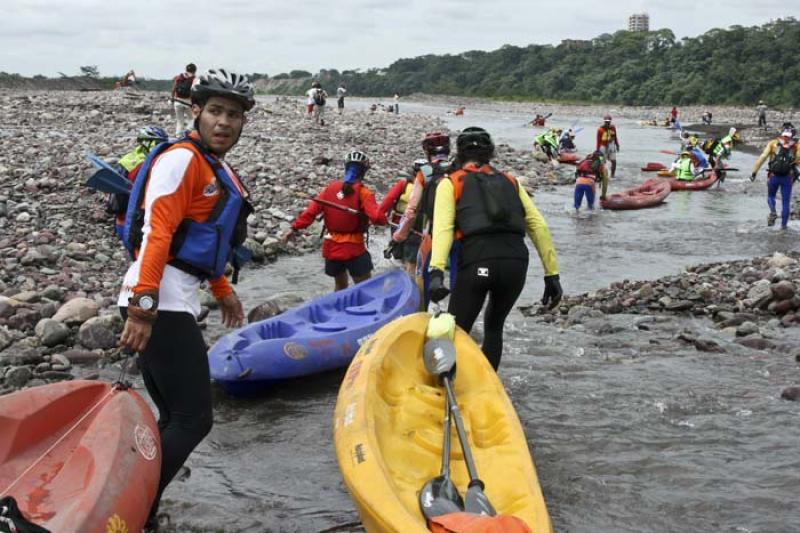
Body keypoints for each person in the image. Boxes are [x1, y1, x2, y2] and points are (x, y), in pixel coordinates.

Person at [118, 68, 255, 532]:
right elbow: (158, 234)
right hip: (158, 298)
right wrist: (143, 309)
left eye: (234, 115)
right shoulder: (181, 159)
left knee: (175, 415)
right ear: (195, 112)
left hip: (175, 295)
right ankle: (132, 508)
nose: (224, 122)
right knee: (195, 420)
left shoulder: (215, 167)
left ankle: (139, 505)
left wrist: (223, 291)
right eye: (215, 111)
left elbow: (200, 241)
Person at [427, 127, 562, 370]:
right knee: (494, 326)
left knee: (457, 330)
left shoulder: (450, 183)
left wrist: (436, 272)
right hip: (515, 266)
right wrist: (551, 274)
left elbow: (443, 229)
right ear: (490, 153)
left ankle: (447, 387)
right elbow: (538, 227)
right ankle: (488, 386)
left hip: (480, 266)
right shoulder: (511, 181)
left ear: (459, 153)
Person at [282, 151, 400, 290]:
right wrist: (383, 219)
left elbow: (310, 213)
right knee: (365, 288)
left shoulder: (329, 189)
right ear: (364, 171)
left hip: (332, 248)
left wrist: (293, 228)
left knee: (340, 285)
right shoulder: (364, 193)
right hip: (353, 249)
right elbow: (377, 218)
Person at [390, 133, 456, 302]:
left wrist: (398, 236)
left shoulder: (424, 173)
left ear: (428, 153)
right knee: (457, 278)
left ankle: (419, 311)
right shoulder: (458, 170)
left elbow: (411, 210)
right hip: (459, 235)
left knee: (421, 276)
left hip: (432, 233)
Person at [750, 130, 799, 228]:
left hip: (773, 176)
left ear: (781, 135)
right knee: (786, 202)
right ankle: (783, 228)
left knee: (771, 196)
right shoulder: (796, 146)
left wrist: (754, 172)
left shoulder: (773, 143)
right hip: (787, 178)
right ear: (791, 137)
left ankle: (773, 211)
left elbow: (762, 158)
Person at [171, 63, 197, 136]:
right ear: (195, 71)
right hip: (187, 102)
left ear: (186, 69)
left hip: (177, 101)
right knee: (193, 119)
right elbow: (194, 91)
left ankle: (178, 136)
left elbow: (173, 89)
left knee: (180, 121)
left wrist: (172, 98)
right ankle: (187, 131)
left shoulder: (179, 77)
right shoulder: (194, 79)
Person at [596, 114, 620, 178]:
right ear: (604, 121)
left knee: (614, 161)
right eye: (606, 121)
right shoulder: (600, 129)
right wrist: (597, 150)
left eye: (608, 121)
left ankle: (612, 175)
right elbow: (598, 141)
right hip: (603, 146)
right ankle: (601, 175)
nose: (607, 122)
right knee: (601, 161)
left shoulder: (613, 127)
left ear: (610, 121)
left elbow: (615, 137)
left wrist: (617, 145)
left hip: (611, 146)